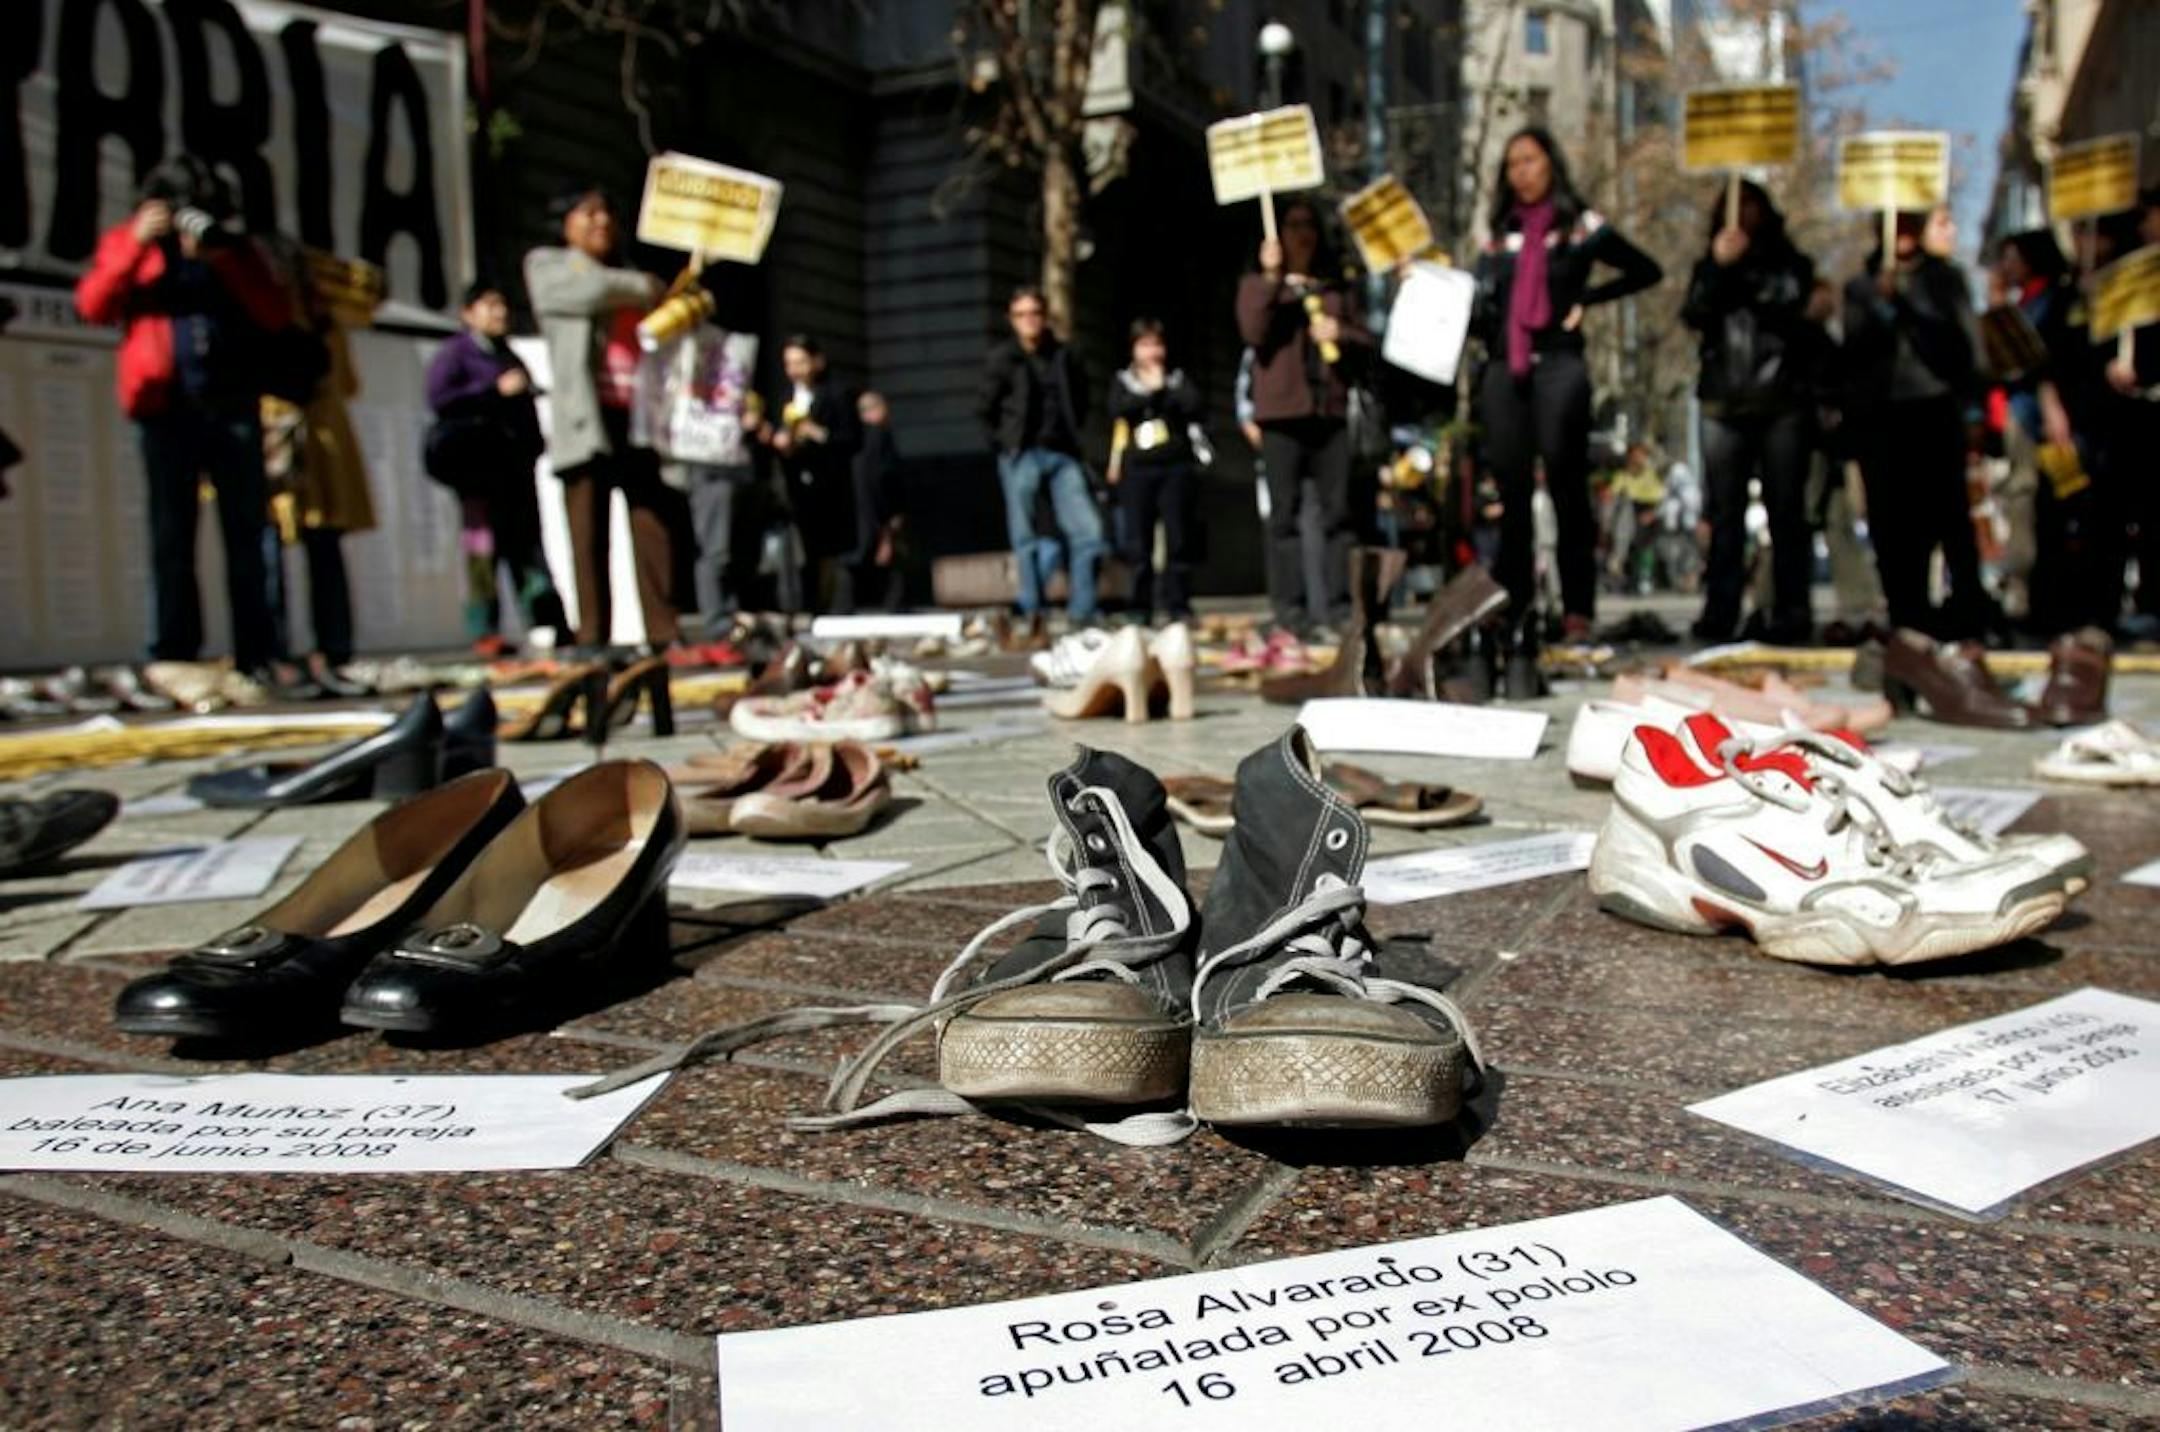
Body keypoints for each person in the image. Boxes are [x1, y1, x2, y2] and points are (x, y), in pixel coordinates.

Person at [74, 155, 287, 680]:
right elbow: (94, 303)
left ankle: (257, 655)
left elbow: (276, 313)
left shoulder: (231, 253)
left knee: (248, 537)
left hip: (232, 408)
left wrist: (224, 257)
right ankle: (173, 654)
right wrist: (136, 243)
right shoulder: (134, 249)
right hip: (165, 411)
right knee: (171, 537)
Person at [1472, 127, 1662, 643]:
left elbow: (1647, 270)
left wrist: (1589, 302)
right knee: (1511, 493)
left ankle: (1578, 608)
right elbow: (1482, 306)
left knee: (1565, 485)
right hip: (1504, 369)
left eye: (1531, 160)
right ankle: (1515, 607)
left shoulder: (1581, 227)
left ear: (1551, 164)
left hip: (1559, 365)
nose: (1522, 172)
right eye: (1512, 164)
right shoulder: (1497, 233)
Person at [525, 187, 685, 653]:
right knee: (587, 531)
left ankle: (663, 630)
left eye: (607, 213)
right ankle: (593, 635)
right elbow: (587, 290)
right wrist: (642, 287)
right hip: (586, 419)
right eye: (588, 213)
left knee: (652, 522)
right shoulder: (549, 265)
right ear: (565, 223)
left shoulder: (630, 276)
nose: (601, 222)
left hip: (636, 415)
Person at [1842, 205, 1988, 640]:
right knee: (1890, 521)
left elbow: (1964, 349)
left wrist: (1904, 307)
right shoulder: (1860, 287)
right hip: (1882, 417)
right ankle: (1907, 614)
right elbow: (1854, 356)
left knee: (1949, 516)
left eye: (1911, 222)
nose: (1903, 232)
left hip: (1934, 409)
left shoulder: (1945, 280)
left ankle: (1967, 611)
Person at [1682, 180, 1817, 644]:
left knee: (1786, 513)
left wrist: (1747, 269)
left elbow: (1791, 303)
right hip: (1723, 400)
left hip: (1781, 400)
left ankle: (1791, 611)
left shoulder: (1790, 263)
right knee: (1725, 516)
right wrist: (1718, 266)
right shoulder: (1709, 264)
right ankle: (1720, 610)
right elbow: (1694, 312)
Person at [1236, 196, 1373, 636]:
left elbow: (1368, 342)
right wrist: (1272, 278)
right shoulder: (1260, 285)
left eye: (1308, 224)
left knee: (1337, 515)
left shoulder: (1336, 288)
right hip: (1281, 416)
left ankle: (1336, 609)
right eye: (1292, 225)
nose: (1302, 233)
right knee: (1284, 518)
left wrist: (1343, 334)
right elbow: (1252, 331)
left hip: (1328, 413)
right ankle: (1290, 614)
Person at [425, 280, 566, 652]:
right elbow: (439, 398)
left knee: (529, 550)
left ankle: (549, 623)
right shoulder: (456, 353)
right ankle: (484, 630)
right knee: (481, 551)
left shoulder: (509, 354)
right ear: (468, 313)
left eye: (502, 305)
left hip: (515, 470)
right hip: (477, 473)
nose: (499, 313)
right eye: (489, 305)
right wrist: (491, 393)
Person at [259, 240, 374, 694]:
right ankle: (281, 652)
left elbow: (346, 381)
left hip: (320, 442)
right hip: (279, 436)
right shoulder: (265, 316)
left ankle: (333, 650)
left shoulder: (325, 320)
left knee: (320, 548)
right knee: (272, 548)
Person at [978, 286, 1103, 629]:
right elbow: (985, 409)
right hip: (1020, 454)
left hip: (1063, 454)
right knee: (1026, 537)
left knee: (1088, 533)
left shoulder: (1065, 355)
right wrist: (1004, 447)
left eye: (1034, 313)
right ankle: (1033, 611)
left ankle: (1083, 612)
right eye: (1021, 315)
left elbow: (1082, 399)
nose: (1029, 321)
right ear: (1012, 320)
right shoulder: (1003, 359)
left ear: (1045, 316)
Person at [1107, 319, 1203, 624]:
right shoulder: (1123, 380)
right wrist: (1150, 395)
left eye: (1157, 344)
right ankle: (1139, 605)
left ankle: (1178, 605)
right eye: (1145, 344)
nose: (1152, 352)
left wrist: (1164, 389)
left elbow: (1193, 405)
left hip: (1174, 467)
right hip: (1137, 470)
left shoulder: (1177, 378)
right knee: (1139, 542)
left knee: (1178, 538)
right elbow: (1119, 410)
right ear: (1134, 349)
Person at [761, 335, 862, 612]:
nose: (794, 369)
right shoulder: (784, 397)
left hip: (829, 487)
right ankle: (802, 605)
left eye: (800, 361)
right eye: (789, 363)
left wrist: (816, 433)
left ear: (816, 361)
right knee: (801, 553)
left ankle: (831, 607)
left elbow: (852, 440)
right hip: (795, 488)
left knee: (829, 553)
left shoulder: (836, 394)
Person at [851, 391, 908, 612]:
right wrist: (890, 519)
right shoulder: (879, 436)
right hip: (879, 513)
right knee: (892, 563)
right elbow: (886, 478)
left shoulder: (853, 440)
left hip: (857, 516)